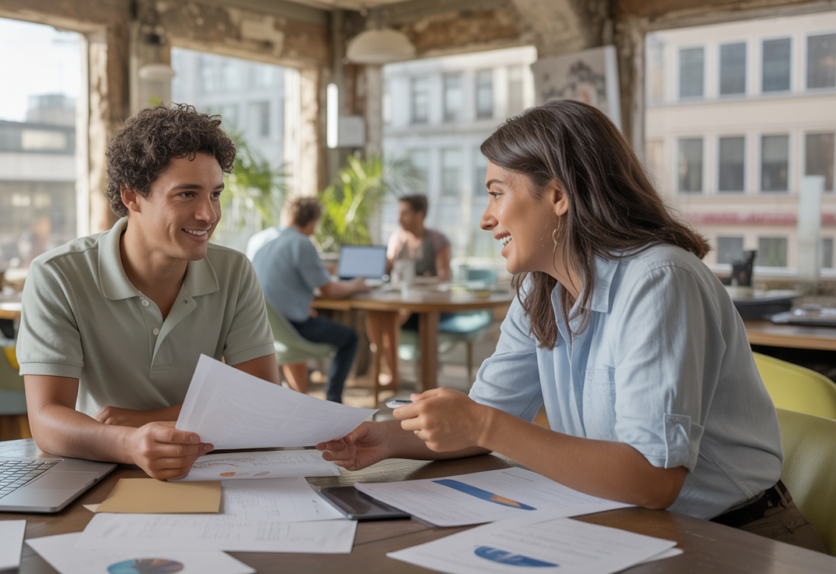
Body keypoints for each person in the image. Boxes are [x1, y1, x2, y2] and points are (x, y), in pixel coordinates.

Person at [318, 100, 826, 551]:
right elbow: (485, 418)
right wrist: (387, 439)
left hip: (738, 538)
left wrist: (483, 424)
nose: (486, 219)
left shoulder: (660, 280)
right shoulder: (542, 290)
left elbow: (654, 481)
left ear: (558, 195)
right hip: (624, 525)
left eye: (496, 193)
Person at [17, 105, 279, 480]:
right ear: (131, 195)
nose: (208, 214)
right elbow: (46, 420)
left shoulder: (234, 271)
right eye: (187, 194)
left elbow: (264, 404)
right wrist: (130, 443)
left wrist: (148, 420)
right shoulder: (57, 275)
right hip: (100, 467)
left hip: (208, 468)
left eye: (215, 194)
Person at [248, 196, 371, 402]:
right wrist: (356, 285)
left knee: (307, 323)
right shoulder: (301, 243)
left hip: (260, 326)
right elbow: (329, 291)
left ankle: (299, 400)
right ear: (313, 222)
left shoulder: (259, 238)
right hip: (292, 328)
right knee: (350, 338)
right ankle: (333, 400)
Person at [366, 194, 453, 388]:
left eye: (404, 214)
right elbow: (386, 270)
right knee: (373, 314)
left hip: (428, 306)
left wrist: (415, 281)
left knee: (393, 316)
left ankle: (398, 376)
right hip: (402, 302)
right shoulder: (397, 239)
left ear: (419, 215)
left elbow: (445, 278)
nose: (399, 219)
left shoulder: (437, 240)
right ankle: (389, 371)